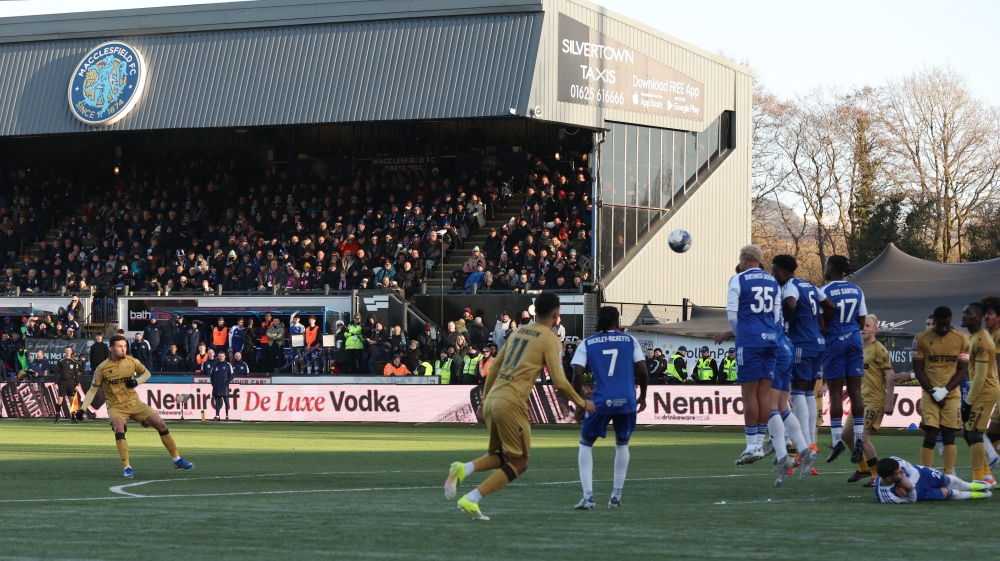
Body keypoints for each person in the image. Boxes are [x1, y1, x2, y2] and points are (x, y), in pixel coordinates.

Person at [443, 293, 594, 520]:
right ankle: (471, 499)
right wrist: (584, 402)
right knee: (520, 462)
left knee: (502, 456)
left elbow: (493, 369)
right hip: (512, 402)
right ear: (556, 314)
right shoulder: (551, 339)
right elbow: (560, 382)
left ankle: (462, 469)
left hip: (493, 398)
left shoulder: (519, 332)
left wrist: (484, 401)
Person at [76, 335, 194, 478]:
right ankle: (127, 467)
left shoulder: (132, 362)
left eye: (125, 346)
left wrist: (137, 382)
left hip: (135, 403)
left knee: (161, 424)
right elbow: (93, 388)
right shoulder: (102, 368)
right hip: (116, 406)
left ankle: (177, 460)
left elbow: (147, 373)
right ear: (111, 349)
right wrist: (83, 408)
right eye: (119, 346)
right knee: (119, 429)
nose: (123, 349)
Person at [570, 306, 647, 509]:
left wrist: (579, 401)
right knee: (622, 444)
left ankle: (588, 497)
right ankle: (616, 497)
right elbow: (643, 371)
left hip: (601, 401)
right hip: (627, 399)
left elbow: (577, 374)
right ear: (617, 321)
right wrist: (643, 397)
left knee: (586, 443)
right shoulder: (630, 340)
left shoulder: (588, 343)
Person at [715, 245, 779, 466]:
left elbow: (732, 314)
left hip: (750, 340)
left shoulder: (738, 279)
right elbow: (777, 315)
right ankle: (759, 443)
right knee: (764, 395)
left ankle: (752, 445)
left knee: (749, 394)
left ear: (743, 259)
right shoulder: (772, 281)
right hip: (771, 339)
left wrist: (739, 333)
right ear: (759, 260)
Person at [770, 255, 826, 463]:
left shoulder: (791, 285)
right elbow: (827, 304)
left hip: (801, 342)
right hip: (818, 342)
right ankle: (811, 442)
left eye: (774, 270)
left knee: (797, 392)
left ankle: (804, 445)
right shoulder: (810, 285)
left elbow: (791, 303)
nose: (773, 274)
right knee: (808, 393)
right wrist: (822, 330)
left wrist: (785, 318)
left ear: (783, 271)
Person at [818, 255, 868, 465]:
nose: (824, 269)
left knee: (836, 393)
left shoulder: (825, 291)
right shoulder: (857, 290)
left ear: (831, 268)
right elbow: (862, 320)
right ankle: (858, 438)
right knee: (856, 391)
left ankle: (837, 440)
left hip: (835, 342)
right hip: (854, 340)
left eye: (825, 265)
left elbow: (821, 322)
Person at [841, 315, 896, 487]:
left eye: (867, 325)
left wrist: (889, 402)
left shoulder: (879, 349)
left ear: (875, 329)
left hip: (874, 400)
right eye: (861, 325)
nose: (863, 328)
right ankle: (863, 468)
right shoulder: (858, 348)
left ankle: (876, 475)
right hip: (860, 399)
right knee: (846, 435)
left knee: (862, 437)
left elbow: (890, 376)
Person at [912, 306, 968, 474]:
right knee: (930, 433)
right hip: (930, 394)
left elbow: (962, 370)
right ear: (934, 322)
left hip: (951, 394)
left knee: (949, 434)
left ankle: (949, 474)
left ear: (951, 321)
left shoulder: (962, 339)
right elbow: (918, 370)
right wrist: (933, 391)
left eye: (946, 325)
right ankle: (925, 474)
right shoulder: (920, 339)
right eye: (939, 325)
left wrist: (945, 391)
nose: (943, 329)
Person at [959, 303, 1000, 483]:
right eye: (963, 311)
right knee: (968, 433)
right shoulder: (975, 337)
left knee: (975, 433)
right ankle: (987, 476)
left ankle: (980, 479)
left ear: (977, 317)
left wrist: (968, 402)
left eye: (968, 313)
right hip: (982, 390)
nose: (963, 315)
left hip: (985, 391)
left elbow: (981, 376)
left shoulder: (982, 341)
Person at [874, 456, 991, 504]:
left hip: (923, 474)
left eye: (901, 469)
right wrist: (909, 489)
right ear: (889, 478)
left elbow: (914, 472)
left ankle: (971, 486)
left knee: (948, 480)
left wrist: (908, 483)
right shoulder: (887, 497)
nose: (902, 471)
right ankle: (977, 495)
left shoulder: (895, 461)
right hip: (920, 494)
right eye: (899, 472)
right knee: (947, 492)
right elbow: (912, 500)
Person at [54, 346, 81, 424]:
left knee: (72, 400)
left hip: (71, 382)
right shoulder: (61, 361)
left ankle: (73, 418)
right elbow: (56, 373)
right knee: (60, 400)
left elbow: (76, 373)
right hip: (62, 382)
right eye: (66, 350)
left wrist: (77, 383)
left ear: (71, 351)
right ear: (65, 351)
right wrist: (56, 383)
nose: (68, 352)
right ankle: (57, 417)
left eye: (69, 350)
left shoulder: (74, 361)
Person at [210, 351, 234, 420]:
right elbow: (211, 375)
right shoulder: (215, 365)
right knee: (217, 401)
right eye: (220, 356)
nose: (221, 357)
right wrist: (213, 383)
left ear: (225, 357)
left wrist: (226, 383)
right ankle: (217, 415)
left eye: (222, 356)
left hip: (224, 386)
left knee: (226, 401)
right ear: (218, 357)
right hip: (216, 386)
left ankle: (227, 415)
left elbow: (231, 375)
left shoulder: (228, 365)